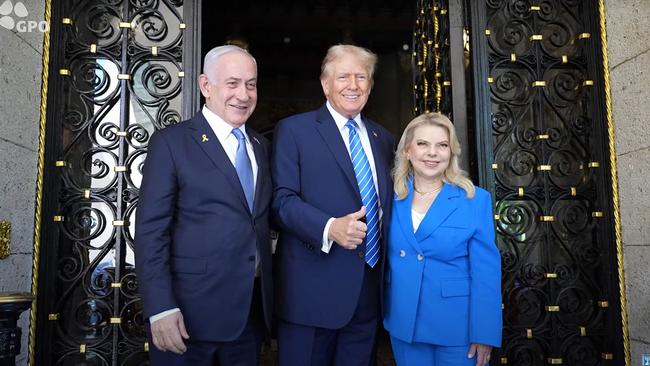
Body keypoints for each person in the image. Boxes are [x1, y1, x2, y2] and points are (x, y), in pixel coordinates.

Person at [134, 45, 273, 366]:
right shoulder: (172, 142)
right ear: (205, 86)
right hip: (187, 318)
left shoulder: (259, 145)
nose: (244, 94)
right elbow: (151, 232)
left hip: (248, 318)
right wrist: (161, 308)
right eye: (233, 83)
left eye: (251, 84)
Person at [271, 44, 395, 365]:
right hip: (310, 295)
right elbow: (281, 202)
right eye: (343, 76)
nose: (353, 85)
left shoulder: (384, 139)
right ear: (326, 84)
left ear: (370, 85)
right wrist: (329, 227)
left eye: (361, 77)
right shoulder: (294, 130)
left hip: (368, 296)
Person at [383, 112, 502, 366]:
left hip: (458, 328)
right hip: (405, 323)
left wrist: (485, 333)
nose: (432, 153)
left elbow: (486, 273)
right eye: (423, 144)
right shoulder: (388, 197)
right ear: (407, 151)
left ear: (451, 152)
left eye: (442, 145)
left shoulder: (474, 199)